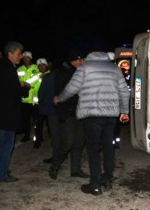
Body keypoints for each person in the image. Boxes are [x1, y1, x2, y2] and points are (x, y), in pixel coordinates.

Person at [54, 51, 130, 196]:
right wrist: (124, 111)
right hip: (110, 115)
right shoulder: (114, 69)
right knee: (108, 147)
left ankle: (95, 184)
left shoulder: (85, 68)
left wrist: (60, 98)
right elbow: (124, 91)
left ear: (89, 57)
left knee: (93, 149)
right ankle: (107, 178)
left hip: (92, 114)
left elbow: (72, 88)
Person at [0, 41, 29, 182]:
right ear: (10, 54)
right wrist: (25, 87)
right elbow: (13, 91)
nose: (21, 56)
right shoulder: (7, 68)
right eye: (19, 53)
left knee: (5, 143)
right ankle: (2, 174)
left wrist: (18, 85)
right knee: (7, 144)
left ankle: (2, 168)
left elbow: (5, 88)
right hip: (6, 114)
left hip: (1, 113)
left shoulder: (3, 67)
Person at [48, 51, 89, 180]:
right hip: (68, 112)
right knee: (68, 142)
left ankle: (75, 170)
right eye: (80, 60)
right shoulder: (63, 73)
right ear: (74, 60)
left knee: (79, 142)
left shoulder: (80, 72)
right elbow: (64, 94)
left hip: (80, 111)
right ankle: (55, 166)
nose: (83, 62)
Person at [16, 51, 39, 142]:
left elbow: (38, 77)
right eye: (24, 58)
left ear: (31, 58)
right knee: (25, 120)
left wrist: (26, 83)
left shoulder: (36, 67)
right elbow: (16, 81)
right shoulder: (19, 69)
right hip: (24, 99)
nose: (26, 59)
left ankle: (37, 137)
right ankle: (26, 135)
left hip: (34, 99)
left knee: (36, 120)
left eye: (28, 58)